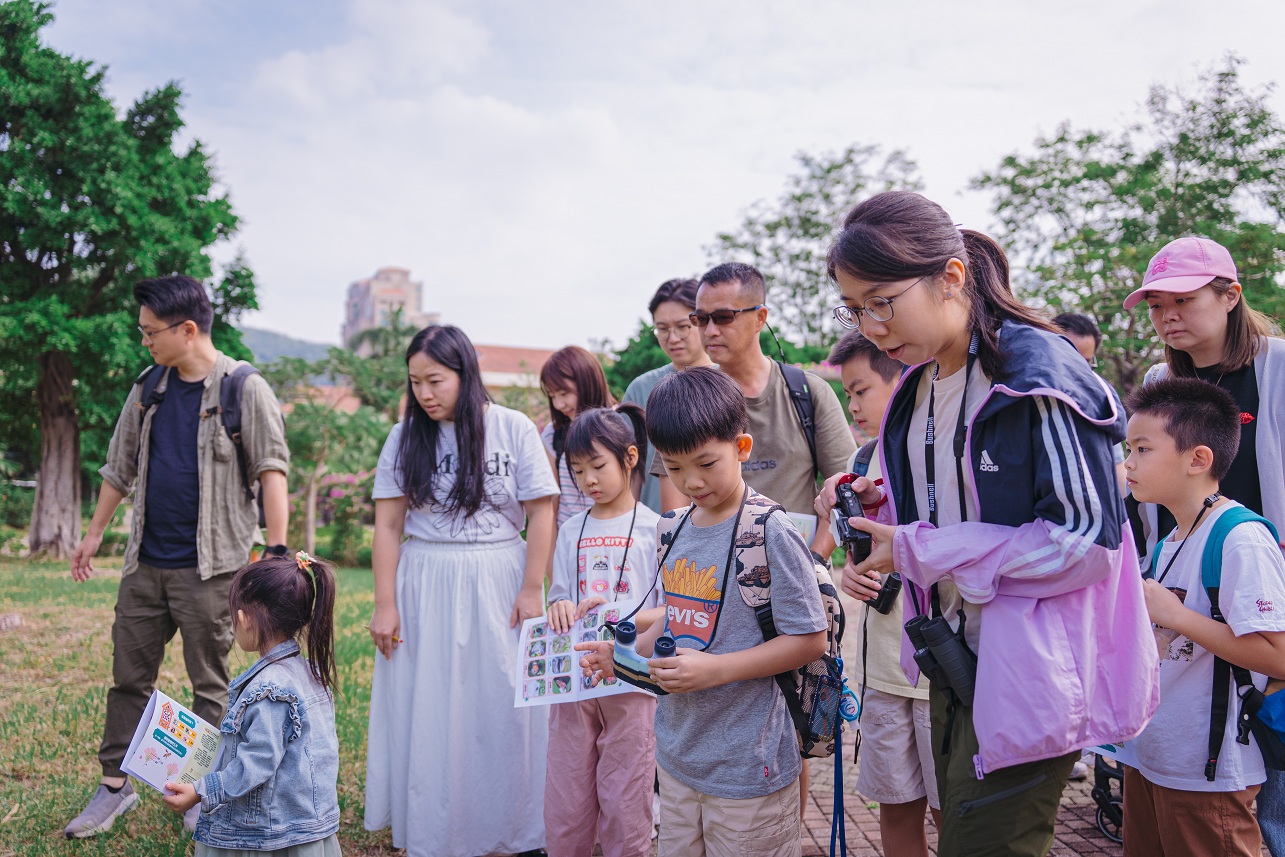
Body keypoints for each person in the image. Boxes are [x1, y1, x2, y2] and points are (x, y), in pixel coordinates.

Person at [823, 191, 1158, 857]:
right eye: (854, 308)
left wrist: (918, 547)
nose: (871, 326)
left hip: (1030, 674)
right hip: (949, 660)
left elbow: (1086, 543)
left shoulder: (1036, 372)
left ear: (950, 276)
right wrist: (882, 514)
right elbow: (954, 516)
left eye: (881, 302)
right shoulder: (917, 387)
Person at [65, 275, 290, 838]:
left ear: (187, 330)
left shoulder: (244, 389)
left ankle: (200, 793)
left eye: (151, 332)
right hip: (145, 564)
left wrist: (276, 552)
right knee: (128, 678)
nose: (144, 341)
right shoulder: (148, 388)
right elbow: (119, 467)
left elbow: (272, 471)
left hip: (211, 569)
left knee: (209, 684)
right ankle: (114, 787)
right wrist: (94, 534)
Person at [577, 366, 828, 857]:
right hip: (677, 759)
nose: (691, 481)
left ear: (742, 447)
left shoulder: (770, 531)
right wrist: (623, 657)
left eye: (706, 463)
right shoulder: (672, 528)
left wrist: (717, 669)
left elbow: (809, 639)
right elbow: (677, 616)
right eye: (674, 468)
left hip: (747, 765)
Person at [364, 325, 558, 857]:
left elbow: (542, 512)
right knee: (429, 707)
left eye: (435, 380)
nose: (425, 393)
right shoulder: (405, 437)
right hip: (426, 581)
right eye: (415, 382)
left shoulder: (513, 428)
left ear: (464, 374)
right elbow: (387, 526)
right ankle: (432, 830)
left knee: (504, 702)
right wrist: (385, 605)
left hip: (500, 577)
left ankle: (516, 830)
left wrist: (532, 587)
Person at [1124, 235, 1285, 853]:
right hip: (1188, 579)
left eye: (1183, 300)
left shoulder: (1275, 367)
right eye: (1156, 305)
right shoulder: (1161, 379)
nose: (1167, 316)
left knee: (1263, 775)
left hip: (1258, 575)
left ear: (1230, 296)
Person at [816, 331, 943, 857]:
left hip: (941, 674)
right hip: (882, 671)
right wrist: (851, 574)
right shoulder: (863, 459)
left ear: (904, 378)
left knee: (951, 812)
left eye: (861, 390)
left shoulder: (943, 452)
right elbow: (861, 557)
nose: (853, 405)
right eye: (847, 393)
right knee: (895, 806)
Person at [656, 262, 855, 560]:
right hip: (715, 572)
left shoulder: (808, 392)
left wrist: (813, 562)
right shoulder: (686, 398)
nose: (710, 330)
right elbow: (676, 511)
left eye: (723, 317)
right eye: (701, 319)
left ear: (760, 318)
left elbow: (841, 488)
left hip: (799, 563)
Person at [161, 552, 342, 856]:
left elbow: (258, 762)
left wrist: (201, 791)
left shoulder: (269, 689)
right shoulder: (309, 674)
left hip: (270, 837)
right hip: (306, 824)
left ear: (244, 619)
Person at [544, 404, 661, 857]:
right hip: (575, 683)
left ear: (630, 458)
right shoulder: (571, 529)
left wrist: (617, 616)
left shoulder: (656, 529)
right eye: (578, 471)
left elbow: (668, 610)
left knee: (626, 795)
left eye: (597, 466)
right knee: (567, 793)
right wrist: (559, 606)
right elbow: (559, 596)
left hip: (631, 680)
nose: (588, 479)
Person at [621, 278, 714, 512]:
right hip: (652, 523)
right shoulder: (640, 388)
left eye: (683, 326)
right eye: (662, 329)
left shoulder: (728, 382)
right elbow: (628, 468)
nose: (672, 338)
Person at [541, 346, 617, 527]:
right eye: (552, 396)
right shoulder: (553, 434)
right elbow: (551, 504)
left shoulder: (622, 425)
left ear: (587, 383)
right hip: (569, 539)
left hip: (616, 536)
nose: (559, 404)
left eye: (564, 393)